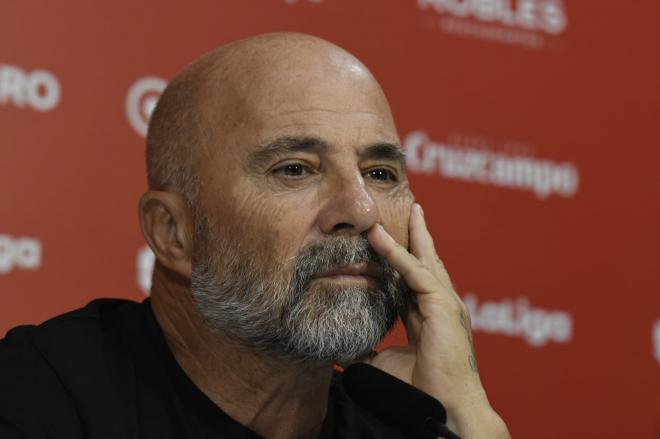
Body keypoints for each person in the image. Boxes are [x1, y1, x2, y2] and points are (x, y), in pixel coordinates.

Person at [0, 33, 511, 439]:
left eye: (380, 173)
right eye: (295, 169)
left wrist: (469, 422)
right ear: (173, 232)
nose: (359, 209)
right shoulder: (31, 398)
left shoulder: (411, 426)